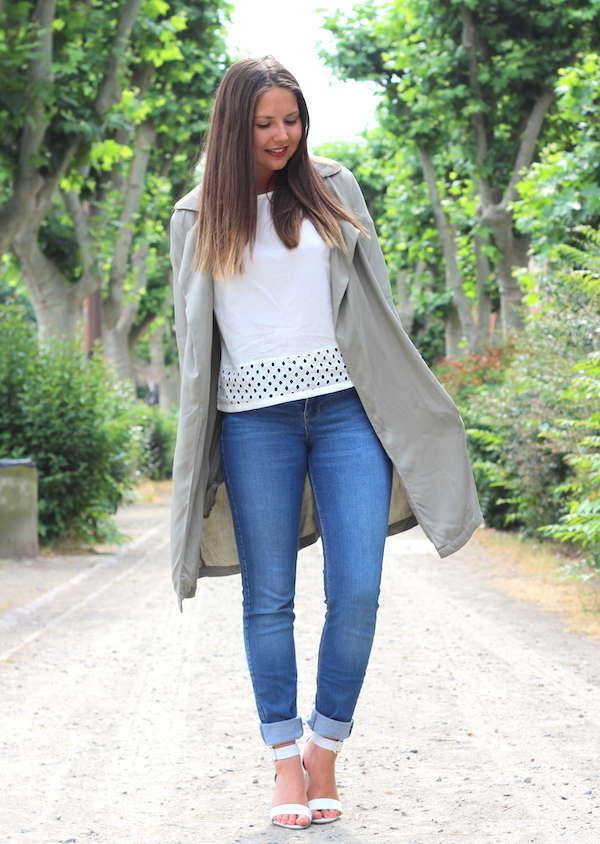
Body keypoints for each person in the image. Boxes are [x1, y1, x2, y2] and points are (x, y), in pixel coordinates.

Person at [169, 56, 482, 830]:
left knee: (358, 589)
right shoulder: (195, 215)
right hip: (254, 423)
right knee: (269, 599)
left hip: (347, 412)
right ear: (233, 126)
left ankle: (325, 748)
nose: (282, 136)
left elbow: (375, 306)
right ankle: (284, 760)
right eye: (264, 124)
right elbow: (194, 348)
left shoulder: (334, 187)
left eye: (292, 119)